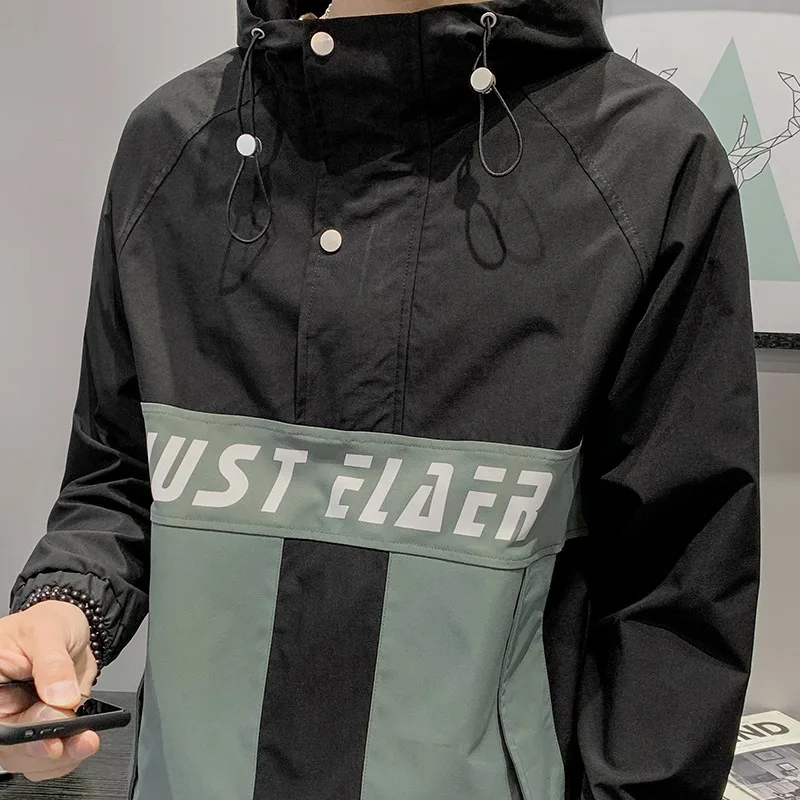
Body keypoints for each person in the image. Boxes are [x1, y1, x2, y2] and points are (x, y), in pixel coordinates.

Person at [0, 0, 760, 796]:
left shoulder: (646, 162)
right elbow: (120, 475)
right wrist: (65, 608)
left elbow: (678, 593)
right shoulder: (172, 145)